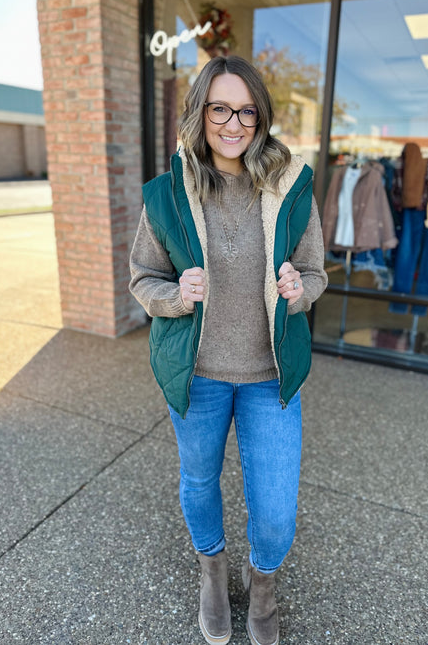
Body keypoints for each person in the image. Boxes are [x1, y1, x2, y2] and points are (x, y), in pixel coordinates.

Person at [129, 55, 327, 645]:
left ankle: (261, 586)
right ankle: (213, 575)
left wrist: (299, 290)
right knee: (199, 481)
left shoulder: (291, 185)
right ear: (200, 113)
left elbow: (316, 273)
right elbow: (143, 279)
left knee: (275, 510)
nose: (233, 123)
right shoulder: (167, 195)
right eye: (220, 108)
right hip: (198, 376)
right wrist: (176, 294)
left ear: (260, 116)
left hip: (270, 375)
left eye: (246, 110)